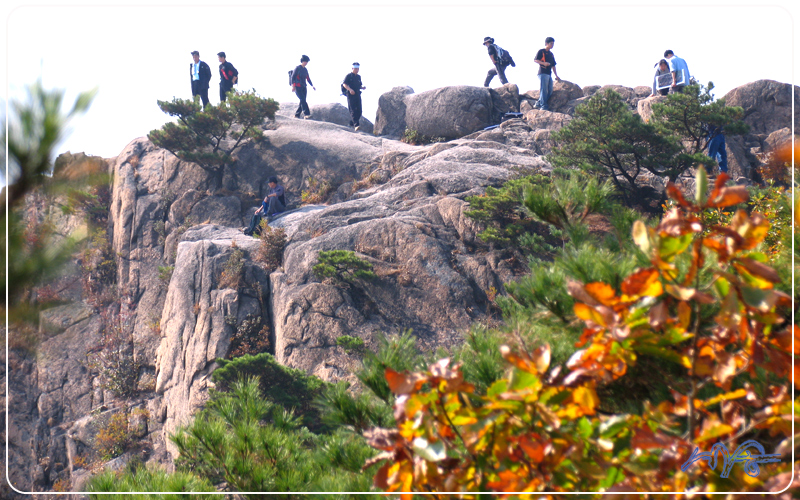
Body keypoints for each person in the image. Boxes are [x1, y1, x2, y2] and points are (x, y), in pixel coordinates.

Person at [533, 37, 561, 111]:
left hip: (549, 74)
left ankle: (539, 103)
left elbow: (553, 65)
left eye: (553, 43)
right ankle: (543, 106)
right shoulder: (541, 51)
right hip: (542, 73)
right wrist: (544, 63)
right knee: (544, 90)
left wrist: (556, 75)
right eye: (551, 43)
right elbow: (535, 60)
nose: (552, 45)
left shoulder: (551, 54)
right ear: (546, 43)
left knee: (550, 90)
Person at [342, 62, 366, 130]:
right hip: (350, 95)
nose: (357, 70)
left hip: (358, 94)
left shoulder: (358, 77)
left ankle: (351, 123)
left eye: (358, 68)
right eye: (355, 68)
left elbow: (359, 85)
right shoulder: (349, 76)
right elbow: (344, 84)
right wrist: (350, 90)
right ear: (352, 68)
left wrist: (362, 87)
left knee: (359, 111)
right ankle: (356, 125)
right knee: (353, 110)